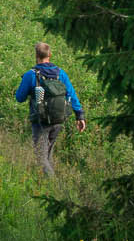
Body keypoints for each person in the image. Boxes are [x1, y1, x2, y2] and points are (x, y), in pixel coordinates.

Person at [15, 41, 85, 177]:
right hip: (58, 119)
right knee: (47, 155)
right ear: (50, 55)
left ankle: (53, 186)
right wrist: (80, 116)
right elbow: (72, 95)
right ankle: (46, 187)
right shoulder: (61, 74)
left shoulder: (31, 75)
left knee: (41, 158)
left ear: (36, 55)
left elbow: (20, 97)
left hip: (40, 121)